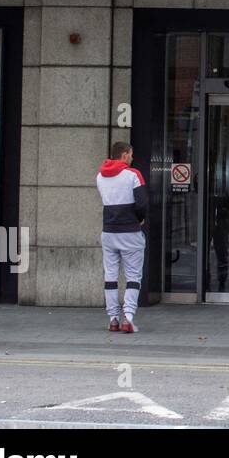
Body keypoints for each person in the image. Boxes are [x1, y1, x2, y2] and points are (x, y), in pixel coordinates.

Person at [96, 141, 148, 333]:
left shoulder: (100, 176)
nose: (132, 158)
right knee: (133, 276)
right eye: (131, 154)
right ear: (125, 155)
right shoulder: (133, 175)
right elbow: (142, 203)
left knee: (110, 276)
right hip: (130, 232)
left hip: (108, 232)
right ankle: (128, 317)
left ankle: (113, 319)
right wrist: (139, 219)